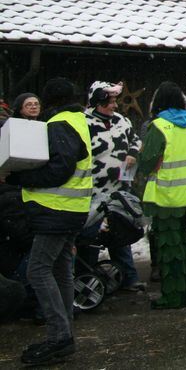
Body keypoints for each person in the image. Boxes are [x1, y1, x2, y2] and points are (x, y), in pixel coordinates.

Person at [3, 78, 90, 364]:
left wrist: (20, 178)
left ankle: (59, 337)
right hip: (73, 209)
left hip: (55, 209)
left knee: (38, 271)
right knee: (62, 271)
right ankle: (64, 335)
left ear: (49, 101)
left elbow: (59, 170)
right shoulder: (77, 120)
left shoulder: (59, 124)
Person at [137, 81, 186, 309]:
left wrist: (142, 156)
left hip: (166, 195)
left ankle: (173, 296)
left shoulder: (159, 127)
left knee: (168, 248)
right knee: (183, 244)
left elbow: (146, 163)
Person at [80, 81, 143, 292]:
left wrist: (133, 153)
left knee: (120, 232)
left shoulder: (122, 121)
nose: (114, 105)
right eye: (110, 102)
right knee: (90, 236)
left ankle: (128, 278)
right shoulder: (84, 123)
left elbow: (136, 140)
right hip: (93, 190)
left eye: (115, 101)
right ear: (97, 101)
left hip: (118, 190)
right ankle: (86, 280)